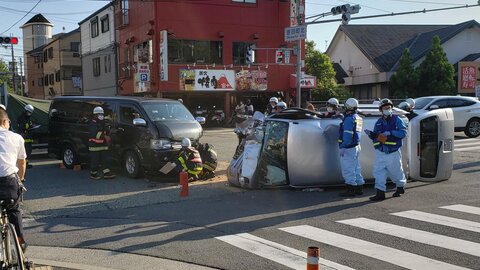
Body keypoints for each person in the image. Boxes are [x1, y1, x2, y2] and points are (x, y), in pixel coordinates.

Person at [364, 98, 407, 201]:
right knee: (378, 172)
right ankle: (380, 193)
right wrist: (372, 135)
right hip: (380, 151)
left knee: (396, 171)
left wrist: (391, 132)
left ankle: (400, 187)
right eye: (385, 108)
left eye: (389, 107)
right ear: (381, 110)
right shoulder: (378, 122)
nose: (387, 109)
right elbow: (377, 137)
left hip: (393, 152)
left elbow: (403, 133)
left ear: (392, 108)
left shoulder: (397, 120)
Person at [0, 108, 28, 251]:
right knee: (14, 209)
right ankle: (20, 240)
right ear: (5, 121)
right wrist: (21, 179)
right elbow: (22, 163)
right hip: (9, 183)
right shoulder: (16, 138)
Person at [338, 98, 364, 197]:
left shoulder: (349, 118)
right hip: (356, 146)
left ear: (348, 107)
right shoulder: (358, 117)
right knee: (356, 167)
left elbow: (348, 134)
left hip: (348, 147)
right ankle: (359, 187)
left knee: (348, 168)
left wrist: (343, 146)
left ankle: (350, 189)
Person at [88, 106, 116, 180]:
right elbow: (95, 134)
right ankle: (93, 174)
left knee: (105, 160)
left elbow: (106, 131)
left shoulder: (102, 122)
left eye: (102, 114)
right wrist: (105, 136)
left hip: (103, 145)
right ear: (95, 115)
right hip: (94, 146)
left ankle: (106, 173)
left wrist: (109, 132)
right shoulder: (93, 123)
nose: (101, 116)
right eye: (99, 114)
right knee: (95, 161)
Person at [17, 104, 36, 169]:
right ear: (26, 110)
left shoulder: (28, 117)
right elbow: (21, 126)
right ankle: (24, 164)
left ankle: (26, 163)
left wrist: (32, 125)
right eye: (29, 112)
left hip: (28, 137)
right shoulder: (21, 117)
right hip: (24, 137)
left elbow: (29, 123)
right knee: (25, 151)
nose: (30, 114)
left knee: (28, 151)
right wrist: (28, 126)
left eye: (30, 112)